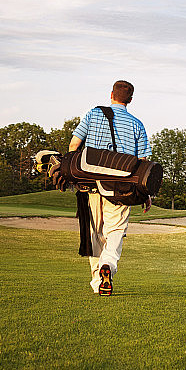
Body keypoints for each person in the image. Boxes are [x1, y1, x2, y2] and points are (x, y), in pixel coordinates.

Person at [69, 80, 152, 296]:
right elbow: (143, 164)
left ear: (111, 94)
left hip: (91, 183)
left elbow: (73, 146)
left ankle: (98, 281)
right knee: (115, 231)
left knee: (96, 233)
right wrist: (146, 194)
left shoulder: (93, 114)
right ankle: (108, 264)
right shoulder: (137, 124)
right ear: (131, 100)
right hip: (122, 188)